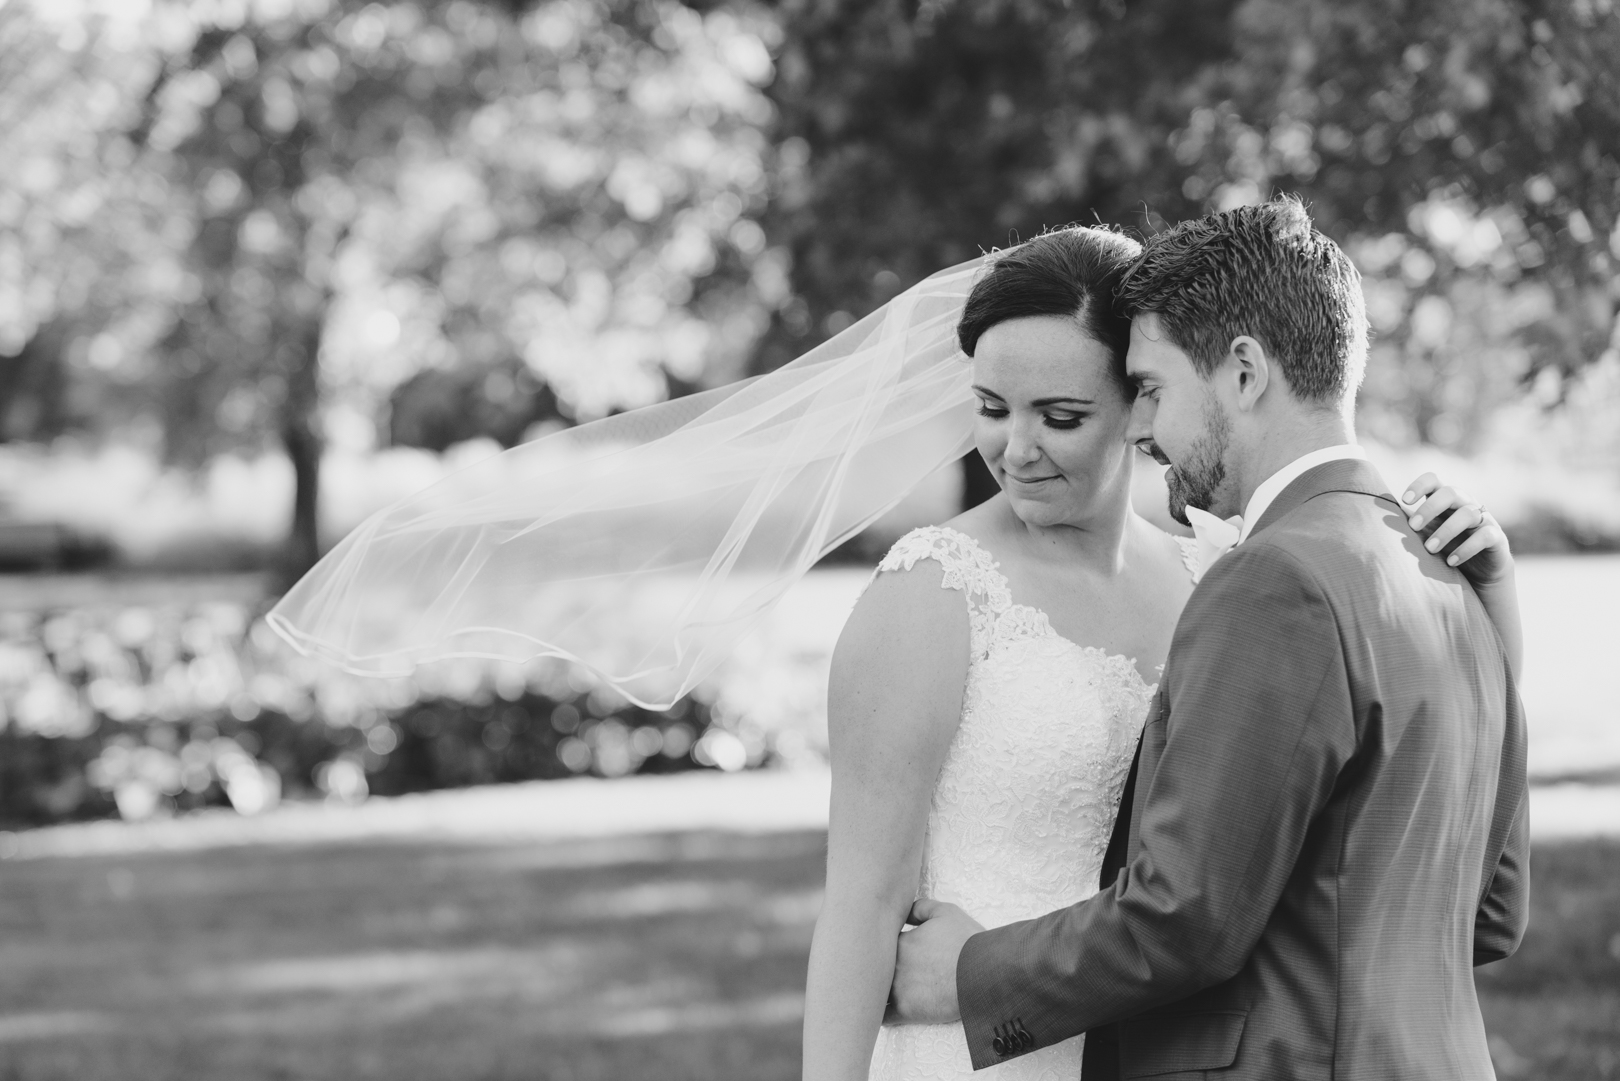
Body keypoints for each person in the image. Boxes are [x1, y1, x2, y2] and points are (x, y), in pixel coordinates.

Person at [882, 201, 1527, 1080]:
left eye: (1150, 387)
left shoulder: (1275, 581)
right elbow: (1492, 911)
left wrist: (968, 974)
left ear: (1245, 373)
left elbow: (1185, 917)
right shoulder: (1453, 570)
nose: (1140, 429)